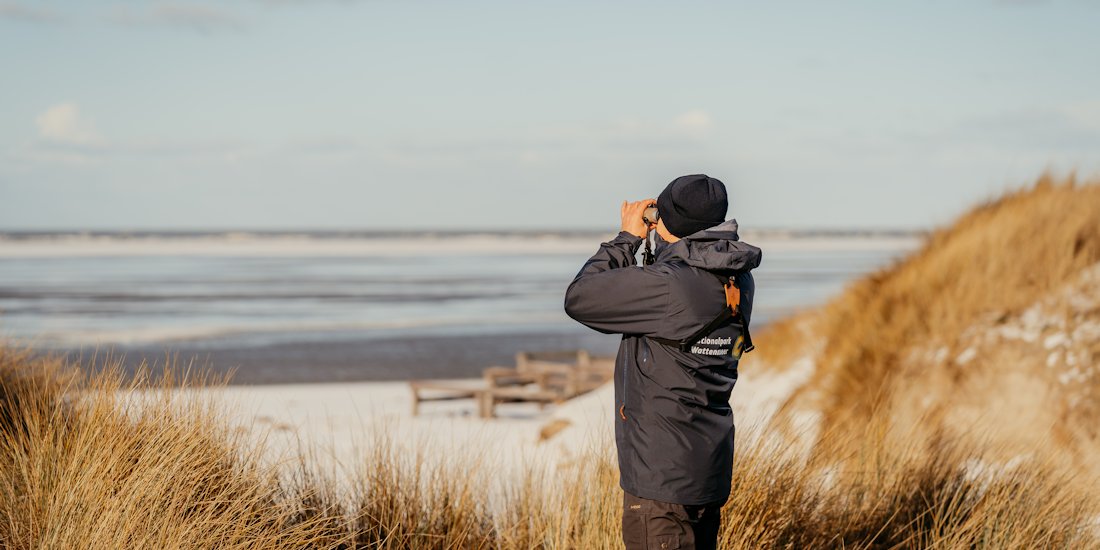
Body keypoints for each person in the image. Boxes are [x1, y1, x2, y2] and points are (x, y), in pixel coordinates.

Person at [564, 174, 762, 550]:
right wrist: (665, 244)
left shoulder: (669, 285)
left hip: (661, 478)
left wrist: (627, 239)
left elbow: (581, 298)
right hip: (708, 467)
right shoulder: (737, 277)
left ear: (669, 223)